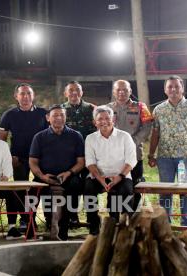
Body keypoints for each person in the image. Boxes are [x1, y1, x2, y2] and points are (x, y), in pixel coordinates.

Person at [148, 75, 187, 226]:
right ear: (165, 89)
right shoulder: (159, 110)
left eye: (176, 86)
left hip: (185, 158)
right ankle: (165, 223)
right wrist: (151, 154)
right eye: (170, 86)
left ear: (182, 88)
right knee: (165, 192)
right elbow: (155, 133)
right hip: (164, 158)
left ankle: (186, 224)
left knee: (185, 191)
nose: (173, 89)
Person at [29, 105, 85, 240]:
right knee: (30, 193)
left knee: (73, 187)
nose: (58, 118)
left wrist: (69, 172)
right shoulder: (39, 137)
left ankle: (63, 229)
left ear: (66, 118)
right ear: (48, 118)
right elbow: (33, 162)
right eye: (55, 115)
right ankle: (30, 227)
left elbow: (81, 161)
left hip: (69, 175)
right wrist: (42, 176)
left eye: (62, 115)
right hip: (45, 176)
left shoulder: (76, 136)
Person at [0, 83, 48, 232]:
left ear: (33, 96)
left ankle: (43, 217)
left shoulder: (43, 113)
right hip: (18, 158)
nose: (25, 96)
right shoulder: (9, 114)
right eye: (22, 94)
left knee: (39, 188)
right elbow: (1, 140)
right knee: (20, 188)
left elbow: (50, 135)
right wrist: (9, 157)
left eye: (28, 93)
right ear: (16, 96)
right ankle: (24, 219)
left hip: (40, 158)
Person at [84, 105, 137, 235]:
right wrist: (101, 179)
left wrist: (119, 176)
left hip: (121, 175)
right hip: (98, 176)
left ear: (113, 120)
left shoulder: (125, 136)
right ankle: (94, 226)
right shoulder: (90, 138)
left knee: (124, 190)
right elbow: (90, 162)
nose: (104, 121)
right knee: (88, 188)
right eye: (100, 119)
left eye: (107, 118)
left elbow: (131, 160)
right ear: (95, 122)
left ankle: (122, 226)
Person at [107, 80, 153, 210]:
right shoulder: (107, 108)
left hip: (134, 154)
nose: (122, 92)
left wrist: (132, 141)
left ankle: (131, 216)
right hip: (113, 155)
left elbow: (147, 127)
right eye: (118, 90)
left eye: (125, 90)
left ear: (130, 91)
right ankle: (114, 218)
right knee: (114, 186)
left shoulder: (141, 107)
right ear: (114, 92)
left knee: (134, 186)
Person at [60, 81, 96, 228]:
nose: (74, 93)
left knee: (90, 185)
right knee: (72, 185)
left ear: (82, 93)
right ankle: (72, 216)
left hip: (90, 155)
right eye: (71, 90)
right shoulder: (60, 110)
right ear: (65, 93)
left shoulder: (91, 109)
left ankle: (91, 216)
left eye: (77, 90)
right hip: (70, 156)